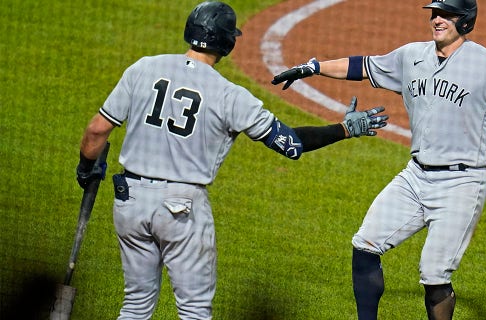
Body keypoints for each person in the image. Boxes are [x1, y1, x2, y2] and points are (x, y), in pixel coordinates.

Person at [75, 1, 388, 319]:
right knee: (194, 310)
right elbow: (291, 144)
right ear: (227, 42)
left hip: (130, 201)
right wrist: (344, 128)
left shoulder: (142, 68)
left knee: (136, 305)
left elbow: (96, 132)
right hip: (180, 209)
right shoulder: (229, 95)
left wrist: (87, 168)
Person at [271, 0, 486, 319]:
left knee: (434, 276)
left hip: (462, 184)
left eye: (446, 14)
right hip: (415, 177)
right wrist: (313, 68)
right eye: (434, 13)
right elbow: (363, 66)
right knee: (364, 246)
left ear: (466, 20)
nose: (437, 19)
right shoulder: (412, 56)